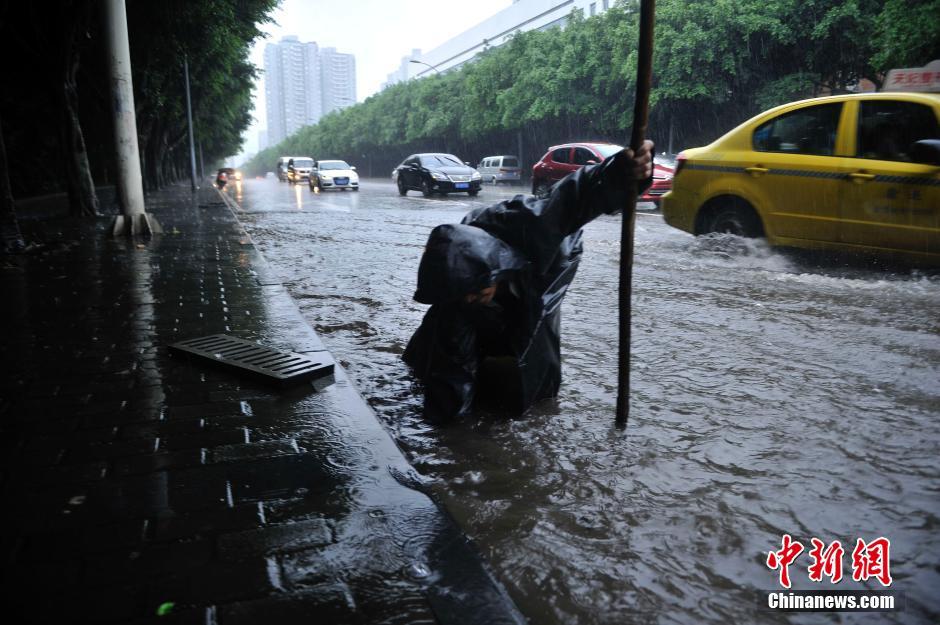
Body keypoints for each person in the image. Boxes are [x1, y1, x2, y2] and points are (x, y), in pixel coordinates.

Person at [403, 141, 654, 421]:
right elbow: (451, 370)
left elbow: (574, 197)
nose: (470, 300)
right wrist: (448, 428)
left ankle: (536, 399)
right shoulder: (456, 273)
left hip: (548, 261)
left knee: (534, 339)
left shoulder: (529, 223)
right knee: (445, 339)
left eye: (474, 293)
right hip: (488, 278)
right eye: (465, 296)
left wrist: (621, 172)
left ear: (490, 274)